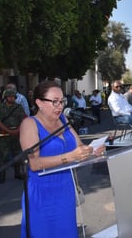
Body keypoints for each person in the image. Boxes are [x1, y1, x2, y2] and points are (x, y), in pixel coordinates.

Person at [19, 81, 105, 238]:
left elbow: (79, 146)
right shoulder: (29, 124)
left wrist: (92, 150)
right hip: (42, 193)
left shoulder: (64, 121)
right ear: (39, 103)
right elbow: (35, 163)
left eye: (62, 101)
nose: (60, 106)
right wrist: (70, 157)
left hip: (65, 189)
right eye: (54, 102)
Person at [0, 88, 27, 183]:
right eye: (9, 96)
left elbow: (24, 119)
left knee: (17, 154)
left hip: (16, 133)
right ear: (5, 97)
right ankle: (2, 174)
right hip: (4, 134)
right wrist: (8, 130)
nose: (11, 98)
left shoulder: (19, 107)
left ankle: (17, 173)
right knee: (3, 156)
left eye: (13, 96)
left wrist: (17, 130)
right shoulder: (0, 108)